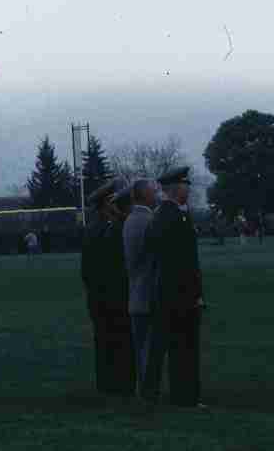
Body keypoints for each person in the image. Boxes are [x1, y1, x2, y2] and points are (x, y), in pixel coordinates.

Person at [145, 166, 206, 408]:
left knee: (180, 348)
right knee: (184, 348)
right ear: (176, 188)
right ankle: (185, 396)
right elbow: (180, 262)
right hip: (177, 293)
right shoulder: (170, 217)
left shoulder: (170, 215)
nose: (188, 188)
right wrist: (194, 294)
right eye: (185, 185)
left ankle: (181, 395)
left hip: (172, 292)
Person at [80, 178, 135, 396]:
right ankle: (123, 384)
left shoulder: (92, 229)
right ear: (108, 203)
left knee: (103, 341)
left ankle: (107, 384)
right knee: (121, 340)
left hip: (97, 297)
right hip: (116, 295)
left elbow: (86, 270)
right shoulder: (114, 228)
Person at [121, 178, 160, 401]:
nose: (156, 195)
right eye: (153, 192)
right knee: (148, 349)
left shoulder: (130, 220)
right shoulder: (148, 220)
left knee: (141, 348)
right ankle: (147, 392)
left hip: (136, 294)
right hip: (149, 295)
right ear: (144, 195)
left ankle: (142, 389)